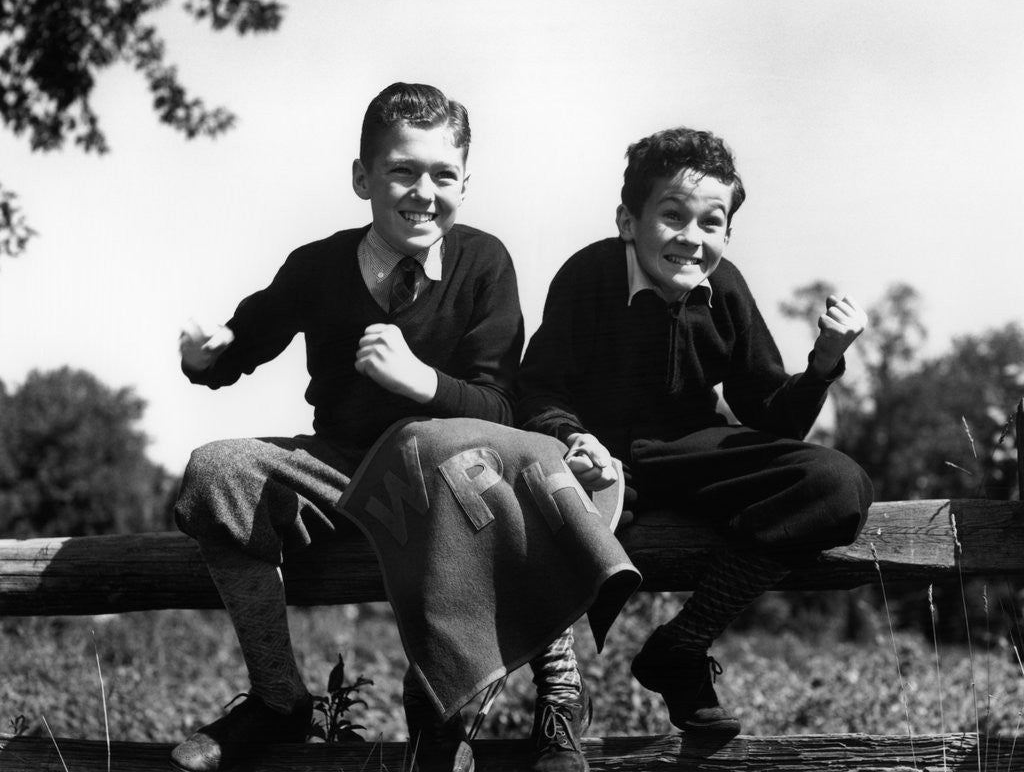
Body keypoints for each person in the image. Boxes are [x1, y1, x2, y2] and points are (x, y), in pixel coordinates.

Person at [170, 82, 587, 772]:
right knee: (217, 469)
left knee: (517, 463)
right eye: (403, 170)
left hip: (452, 481)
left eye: (443, 174)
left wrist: (421, 382)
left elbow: (501, 407)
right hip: (344, 467)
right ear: (363, 177)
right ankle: (277, 700)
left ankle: (460, 704)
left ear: (466, 183)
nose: (424, 191)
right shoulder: (317, 267)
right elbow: (243, 342)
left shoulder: (485, 263)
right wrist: (204, 356)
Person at [516, 126, 874, 737]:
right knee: (537, 517)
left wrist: (822, 363)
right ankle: (558, 703)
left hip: (691, 453)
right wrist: (574, 438)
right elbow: (538, 388)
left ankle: (681, 646)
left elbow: (768, 414)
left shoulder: (726, 288)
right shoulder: (590, 276)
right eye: (673, 215)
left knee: (839, 483)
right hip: (602, 459)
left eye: (711, 223)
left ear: (727, 232)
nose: (691, 238)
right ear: (629, 221)